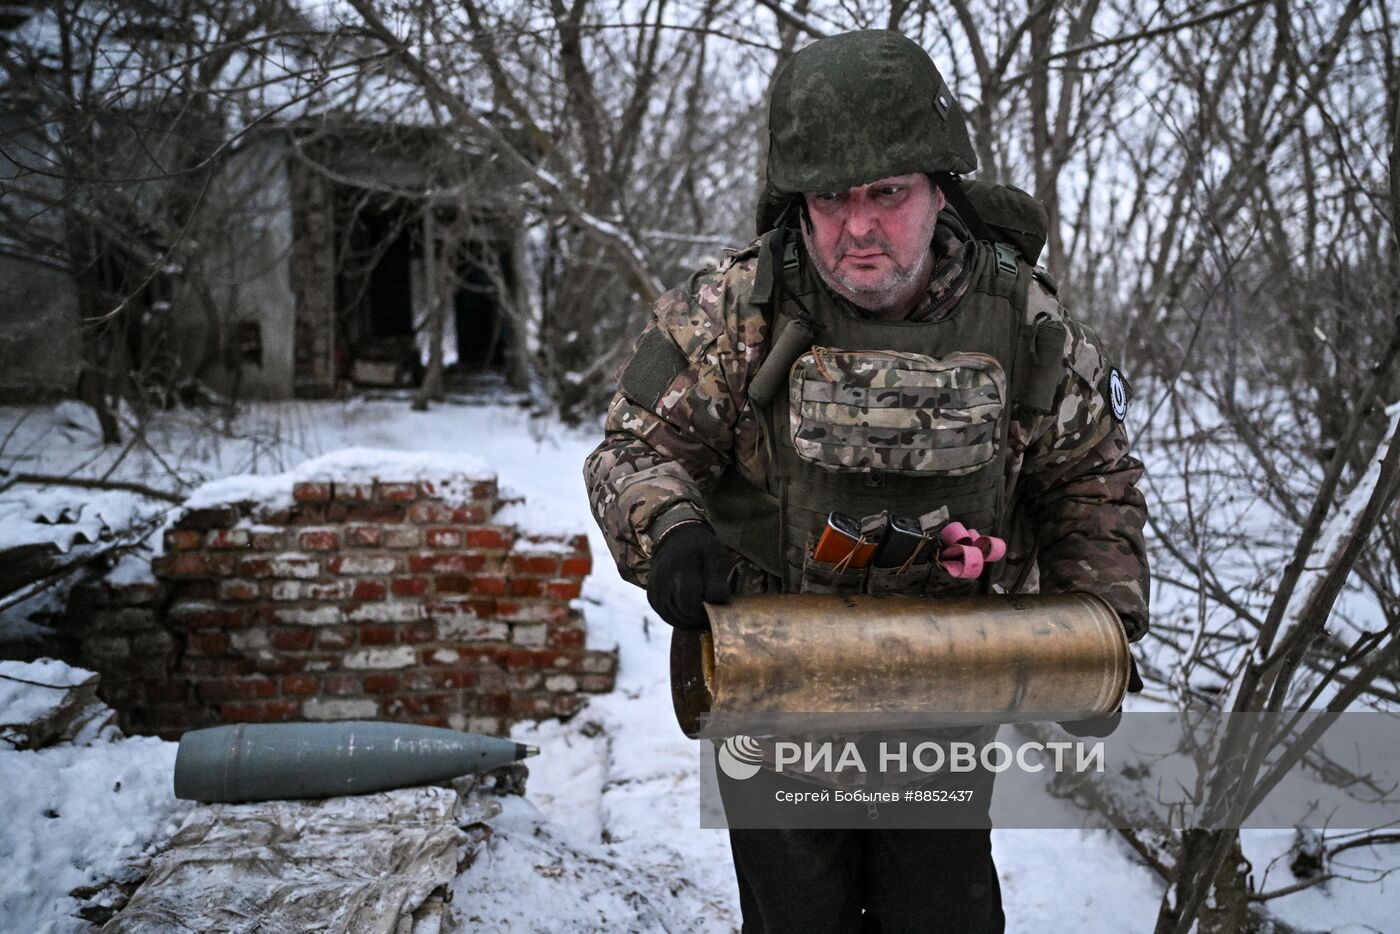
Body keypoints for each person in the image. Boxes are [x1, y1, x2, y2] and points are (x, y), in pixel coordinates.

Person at [584, 29, 1149, 934]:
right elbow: (633, 451)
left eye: (888, 193)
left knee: (945, 916)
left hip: (944, 691)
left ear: (938, 189)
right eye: (830, 198)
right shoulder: (739, 310)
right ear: (796, 202)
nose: (857, 227)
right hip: (772, 692)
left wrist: (1097, 635)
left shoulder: (1024, 323)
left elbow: (1091, 482)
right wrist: (671, 530)